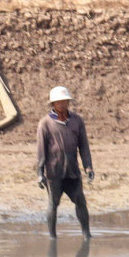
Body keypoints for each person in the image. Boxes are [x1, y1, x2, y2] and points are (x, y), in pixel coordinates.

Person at [36, 85, 93, 239]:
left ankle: (87, 234)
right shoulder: (45, 123)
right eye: (58, 102)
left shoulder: (76, 121)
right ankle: (52, 237)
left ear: (68, 102)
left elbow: (84, 145)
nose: (62, 104)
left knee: (80, 200)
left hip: (72, 171)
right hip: (54, 172)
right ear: (53, 104)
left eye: (64, 101)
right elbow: (41, 150)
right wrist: (40, 173)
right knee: (53, 204)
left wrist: (88, 166)